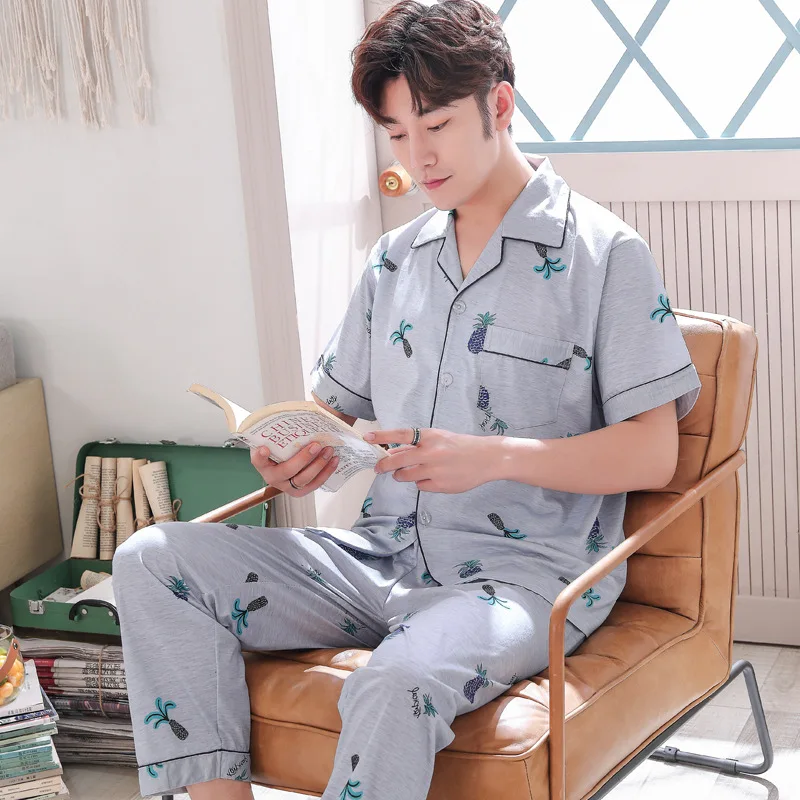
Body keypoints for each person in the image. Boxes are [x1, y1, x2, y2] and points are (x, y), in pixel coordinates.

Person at [112, 1, 702, 798]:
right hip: (376, 558)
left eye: (436, 125)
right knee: (151, 559)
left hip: (515, 580)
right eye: (396, 134)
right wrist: (296, 456)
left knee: (394, 681)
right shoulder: (393, 260)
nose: (418, 157)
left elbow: (653, 452)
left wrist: (491, 457)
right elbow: (334, 413)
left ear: (499, 104)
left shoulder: (605, 256)